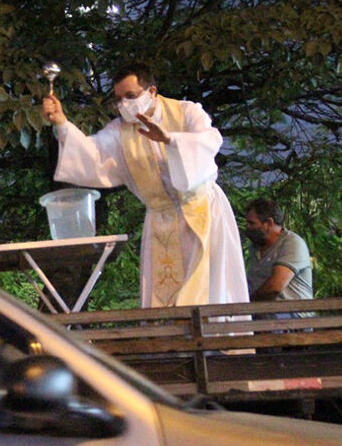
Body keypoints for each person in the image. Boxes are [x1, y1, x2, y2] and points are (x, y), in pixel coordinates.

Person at [42, 62, 249, 309]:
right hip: (161, 218)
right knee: (165, 296)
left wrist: (171, 140)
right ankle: (173, 346)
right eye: (119, 99)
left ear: (151, 91)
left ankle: (218, 344)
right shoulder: (120, 131)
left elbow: (209, 140)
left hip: (202, 208)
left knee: (211, 288)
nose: (124, 104)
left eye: (131, 96)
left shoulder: (186, 112)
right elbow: (93, 154)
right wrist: (62, 123)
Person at [243, 197, 313, 305]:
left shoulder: (292, 243)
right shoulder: (255, 247)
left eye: (252, 223)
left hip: (292, 313)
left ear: (269, 223)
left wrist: (247, 304)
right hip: (264, 312)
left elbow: (275, 287)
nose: (247, 227)